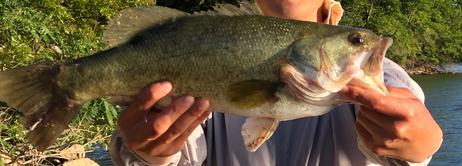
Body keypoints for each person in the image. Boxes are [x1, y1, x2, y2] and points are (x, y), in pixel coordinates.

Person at [109, 0, 443, 165]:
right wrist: (150, 154)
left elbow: (394, 153)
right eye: (356, 41)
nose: (362, 47)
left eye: (355, 40)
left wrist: (418, 151)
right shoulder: (216, 43)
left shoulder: (386, 78)